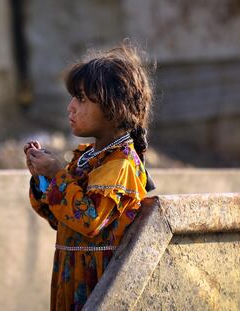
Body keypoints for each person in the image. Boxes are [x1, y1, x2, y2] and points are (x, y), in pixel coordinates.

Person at [24, 43, 155, 310]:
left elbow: (89, 219)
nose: (70, 107)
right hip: (70, 281)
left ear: (114, 107)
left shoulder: (121, 164)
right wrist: (42, 177)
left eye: (82, 98)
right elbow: (58, 217)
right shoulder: (86, 158)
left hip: (100, 288)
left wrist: (57, 173)